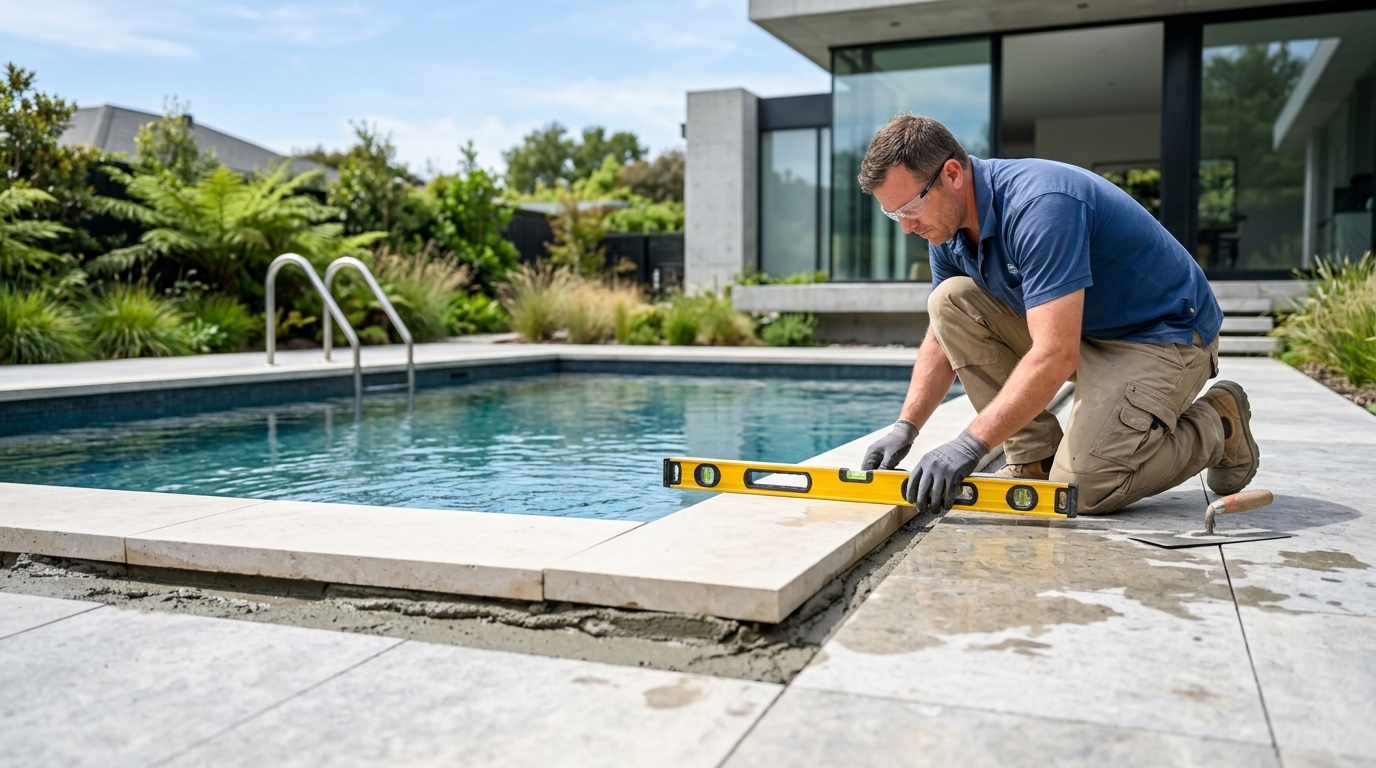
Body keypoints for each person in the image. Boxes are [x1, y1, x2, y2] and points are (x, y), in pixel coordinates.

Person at [859, 113, 1260, 515]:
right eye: (894, 215)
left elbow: (1055, 354)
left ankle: (1219, 425)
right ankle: (1035, 458)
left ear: (951, 174)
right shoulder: (946, 226)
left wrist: (969, 444)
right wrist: (905, 427)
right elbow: (942, 333)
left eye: (910, 207)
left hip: (1163, 336)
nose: (907, 227)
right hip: (1086, 329)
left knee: (1082, 489)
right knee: (949, 300)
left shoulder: (1040, 206)